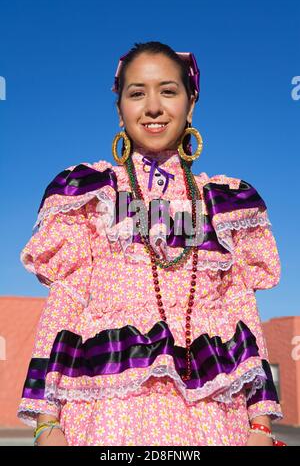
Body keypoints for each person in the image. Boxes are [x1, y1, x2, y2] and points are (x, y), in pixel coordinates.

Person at [17, 41, 285, 446]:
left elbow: (240, 305)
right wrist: (45, 420)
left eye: (169, 91)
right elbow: (66, 302)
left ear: (190, 104)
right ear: (120, 108)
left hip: (211, 410)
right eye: (137, 92)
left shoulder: (224, 203)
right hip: (107, 408)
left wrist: (261, 422)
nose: (153, 107)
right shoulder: (93, 193)